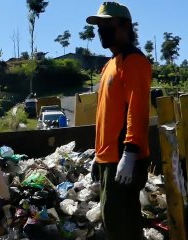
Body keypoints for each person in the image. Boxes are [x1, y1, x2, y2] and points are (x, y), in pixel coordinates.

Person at [87, 2, 152, 240]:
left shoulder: (134, 61)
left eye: (108, 24)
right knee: (112, 220)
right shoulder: (109, 65)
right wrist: (98, 155)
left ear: (125, 27)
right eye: (100, 25)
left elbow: (137, 108)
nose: (101, 29)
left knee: (121, 224)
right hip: (109, 158)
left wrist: (131, 152)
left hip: (123, 159)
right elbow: (105, 115)